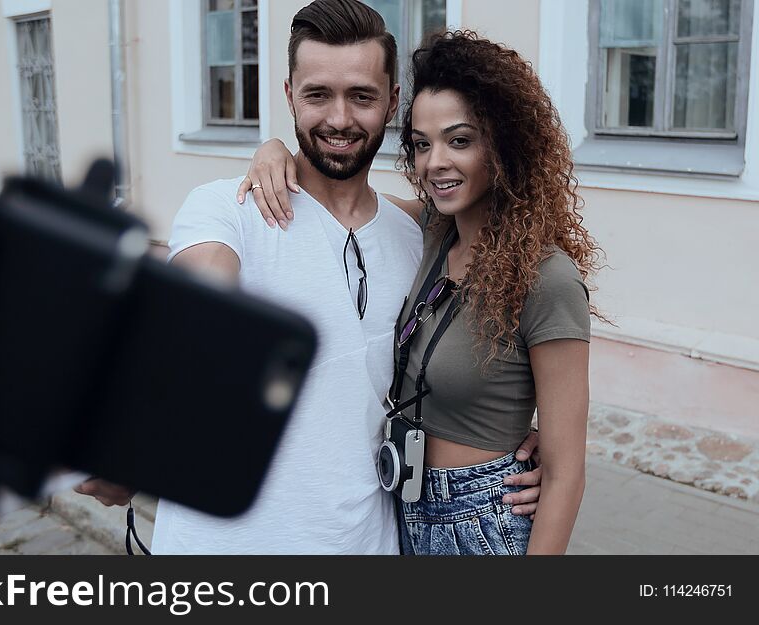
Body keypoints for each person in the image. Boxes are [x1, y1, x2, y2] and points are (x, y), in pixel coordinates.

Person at [76, 0, 542, 554]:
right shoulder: (226, 208)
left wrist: (514, 441)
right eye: (317, 94)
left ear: (393, 102)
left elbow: (511, 273)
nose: (339, 119)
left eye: (362, 96)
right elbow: (190, 328)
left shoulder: (417, 233)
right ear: (288, 95)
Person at [241, 28, 604, 554]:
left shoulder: (546, 278)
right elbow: (346, 198)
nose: (435, 162)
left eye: (459, 140)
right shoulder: (432, 233)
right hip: (403, 507)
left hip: (485, 519)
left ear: (502, 144)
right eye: (420, 144)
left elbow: (567, 475)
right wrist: (272, 150)